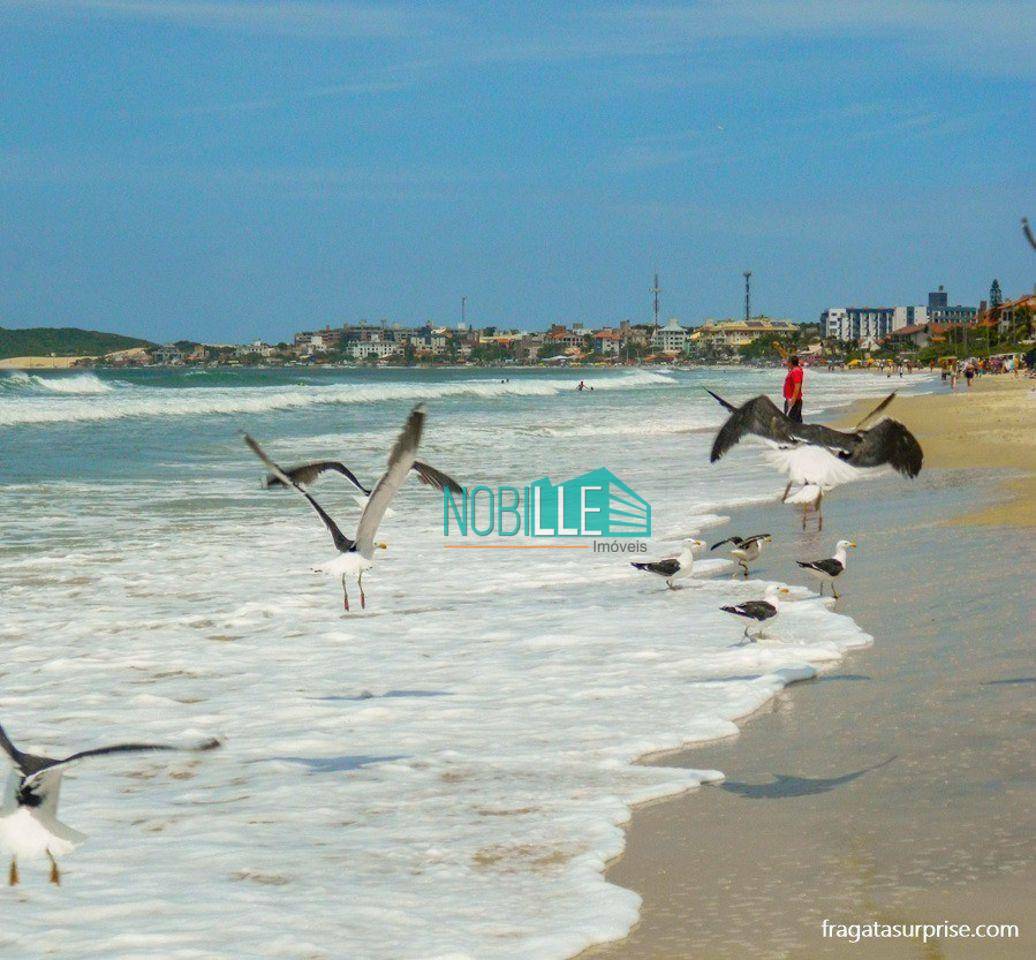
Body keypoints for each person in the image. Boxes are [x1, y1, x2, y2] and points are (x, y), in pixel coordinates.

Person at [783, 355, 804, 422]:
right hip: (791, 400)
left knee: (791, 422)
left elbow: (797, 386)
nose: (786, 364)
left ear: (790, 363)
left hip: (793, 401)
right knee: (795, 422)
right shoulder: (794, 370)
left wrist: (793, 400)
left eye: (787, 362)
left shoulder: (796, 371)